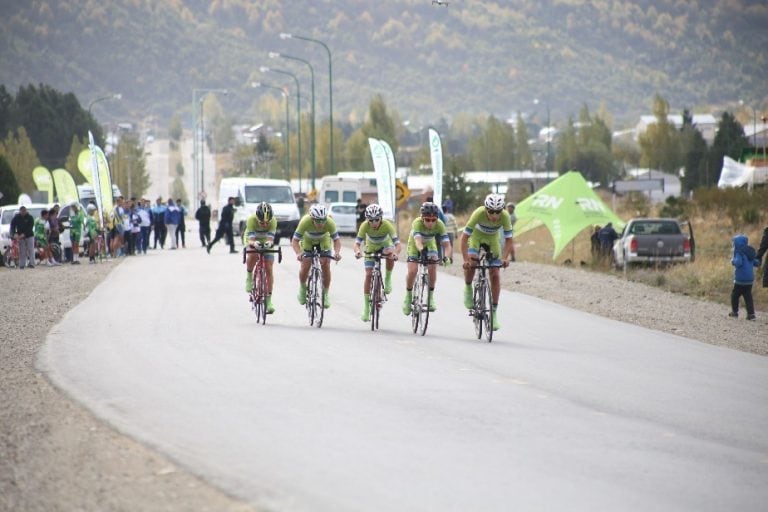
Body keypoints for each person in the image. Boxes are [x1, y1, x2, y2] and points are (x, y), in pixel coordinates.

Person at [460, 193, 514, 331]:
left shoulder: (506, 217)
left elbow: (509, 241)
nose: (495, 215)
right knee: (472, 263)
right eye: (491, 211)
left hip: (492, 240)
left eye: (498, 212)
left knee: (495, 274)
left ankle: (494, 313)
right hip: (476, 238)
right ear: (486, 209)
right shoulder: (478, 213)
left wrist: (505, 258)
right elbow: (464, 238)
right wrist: (466, 259)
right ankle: (467, 288)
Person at [353, 203, 401, 322]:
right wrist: (357, 251)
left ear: (381, 218)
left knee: (390, 254)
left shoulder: (387, 225)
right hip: (371, 248)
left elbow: (398, 245)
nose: (374, 223)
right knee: (369, 275)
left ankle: (388, 279)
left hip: (385, 246)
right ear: (367, 219)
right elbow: (357, 243)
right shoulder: (364, 226)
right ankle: (366, 307)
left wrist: (395, 253)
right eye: (371, 220)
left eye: (376, 220)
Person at [402, 202, 452, 315]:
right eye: (427, 220)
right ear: (422, 218)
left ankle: (430, 297)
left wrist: (446, 257)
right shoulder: (417, 223)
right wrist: (421, 250)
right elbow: (418, 241)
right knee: (412, 271)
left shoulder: (440, 225)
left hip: (430, 243)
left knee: (433, 267)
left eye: (433, 220)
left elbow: (447, 245)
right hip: (415, 245)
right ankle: (408, 297)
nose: (431, 223)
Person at [291, 203, 342, 309]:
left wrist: (337, 253)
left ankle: (326, 294)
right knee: (306, 264)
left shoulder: (329, 222)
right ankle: (302, 288)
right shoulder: (305, 221)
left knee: (326, 264)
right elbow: (295, 241)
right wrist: (298, 253)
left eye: (323, 220)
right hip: (308, 240)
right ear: (312, 218)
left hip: (323, 240)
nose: (321, 223)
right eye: (318, 221)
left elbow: (337, 241)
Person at [243, 202, 278, 314]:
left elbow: (270, 239)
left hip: (265, 240)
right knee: (253, 253)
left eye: (266, 223)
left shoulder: (273, 221)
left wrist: (268, 243)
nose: (264, 224)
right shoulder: (251, 220)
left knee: (268, 267)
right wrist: (254, 243)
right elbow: (251, 239)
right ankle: (249, 276)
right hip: (252, 239)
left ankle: (269, 301)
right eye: (261, 222)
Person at [729, 234, 760, 320]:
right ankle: (751, 314)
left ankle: (734, 312)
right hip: (749, 280)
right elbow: (756, 263)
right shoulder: (749, 252)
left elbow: (738, 263)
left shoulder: (739, 252)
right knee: (748, 297)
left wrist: (733, 261)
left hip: (740, 280)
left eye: (734, 243)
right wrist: (758, 261)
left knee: (734, 296)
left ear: (737, 244)